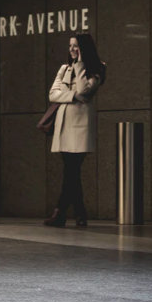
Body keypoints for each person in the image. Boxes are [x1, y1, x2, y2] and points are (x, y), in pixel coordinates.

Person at [43, 33, 106, 228]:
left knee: (72, 171)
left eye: (76, 46)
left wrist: (80, 65)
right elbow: (52, 94)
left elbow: (85, 91)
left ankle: (60, 212)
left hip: (80, 128)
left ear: (84, 48)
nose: (72, 49)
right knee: (72, 172)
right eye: (70, 46)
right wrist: (72, 96)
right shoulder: (64, 69)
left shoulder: (97, 68)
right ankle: (79, 214)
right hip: (63, 126)